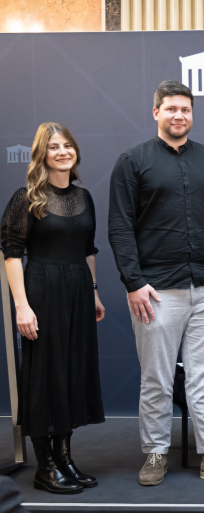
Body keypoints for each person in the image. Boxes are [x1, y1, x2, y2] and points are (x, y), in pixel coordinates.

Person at [108, 80, 204, 486]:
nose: (179, 115)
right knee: (157, 378)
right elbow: (120, 227)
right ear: (156, 112)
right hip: (155, 291)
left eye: (185, 109)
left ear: (193, 114)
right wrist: (133, 282)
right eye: (171, 108)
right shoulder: (132, 161)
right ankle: (156, 454)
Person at [1, 122, 105, 494]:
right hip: (42, 291)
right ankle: (45, 467)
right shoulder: (26, 197)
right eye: (54, 147)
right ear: (42, 155)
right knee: (46, 375)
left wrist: (93, 291)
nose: (62, 152)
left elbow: (88, 249)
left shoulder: (84, 196)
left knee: (71, 372)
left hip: (77, 291)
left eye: (68, 146)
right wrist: (22, 307)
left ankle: (64, 458)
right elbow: (11, 255)